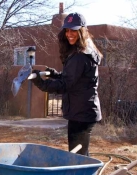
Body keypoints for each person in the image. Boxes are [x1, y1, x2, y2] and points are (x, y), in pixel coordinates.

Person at [30, 12, 103, 156]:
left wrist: (41, 83)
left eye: (74, 30)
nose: (69, 34)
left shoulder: (80, 56)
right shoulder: (85, 51)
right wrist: (53, 74)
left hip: (81, 113)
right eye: (67, 30)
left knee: (78, 156)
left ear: (82, 31)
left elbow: (65, 85)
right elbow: (74, 79)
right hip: (83, 111)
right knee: (80, 153)